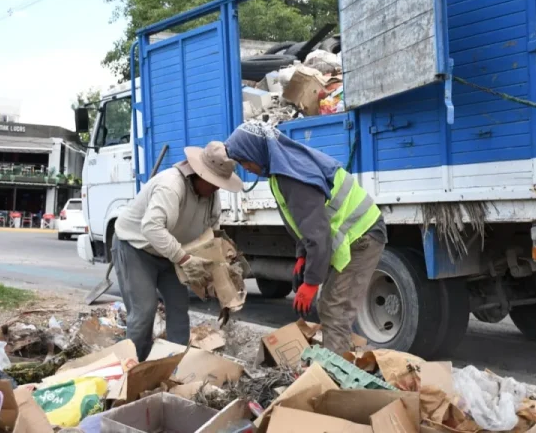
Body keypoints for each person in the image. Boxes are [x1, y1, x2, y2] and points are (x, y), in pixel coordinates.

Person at [225, 121, 387, 354]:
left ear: (254, 151)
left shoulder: (291, 176)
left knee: (334, 309)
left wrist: (311, 283)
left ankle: (335, 381)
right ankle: (340, 363)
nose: (245, 168)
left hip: (363, 236)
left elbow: (318, 235)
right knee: (330, 306)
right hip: (354, 235)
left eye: (243, 160)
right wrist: (302, 256)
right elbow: (303, 224)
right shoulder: (281, 172)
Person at [113, 142, 243, 361]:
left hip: (171, 252)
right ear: (198, 173)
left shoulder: (211, 193)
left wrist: (219, 265)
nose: (217, 187)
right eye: (213, 182)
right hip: (136, 247)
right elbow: (151, 228)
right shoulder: (171, 185)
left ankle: (176, 364)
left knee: (179, 308)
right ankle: (133, 369)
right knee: (144, 311)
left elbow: (210, 231)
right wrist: (184, 259)